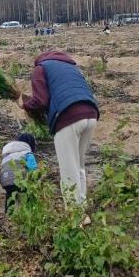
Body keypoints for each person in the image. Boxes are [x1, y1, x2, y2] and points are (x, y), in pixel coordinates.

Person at [17, 50, 99, 204]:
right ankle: (82, 207)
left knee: (69, 169)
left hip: (68, 116)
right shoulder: (72, 67)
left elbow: (40, 101)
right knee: (79, 165)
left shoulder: (40, 68)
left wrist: (25, 105)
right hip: (91, 113)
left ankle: (74, 216)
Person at [0, 132, 38, 213]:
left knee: (10, 196)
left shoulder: (7, 154)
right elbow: (33, 169)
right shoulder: (28, 153)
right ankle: (29, 212)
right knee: (28, 195)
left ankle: (8, 214)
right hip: (20, 179)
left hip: (5, 180)